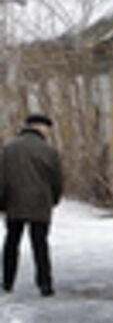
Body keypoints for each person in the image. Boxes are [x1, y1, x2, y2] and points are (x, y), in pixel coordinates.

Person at [0, 113, 63, 297]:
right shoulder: (49, 151)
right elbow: (56, 180)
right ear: (42, 128)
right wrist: (54, 199)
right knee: (40, 244)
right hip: (40, 203)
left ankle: (7, 281)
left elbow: (1, 178)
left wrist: (2, 202)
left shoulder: (8, 149)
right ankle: (45, 284)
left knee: (12, 242)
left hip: (13, 202)